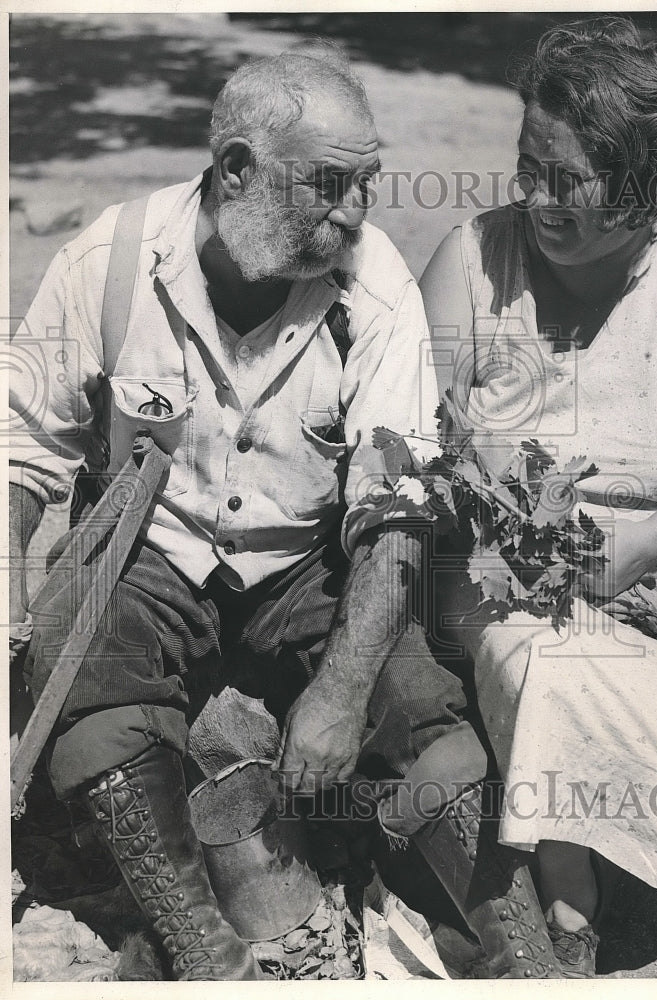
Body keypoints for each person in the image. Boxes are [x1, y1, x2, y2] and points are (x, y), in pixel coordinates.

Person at [9, 51, 561, 980]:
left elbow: (396, 509)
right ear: (237, 172)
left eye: (367, 185)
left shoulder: (375, 290)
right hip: (152, 555)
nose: (354, 214)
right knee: (80, 640)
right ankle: (203, 945)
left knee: (418, 698)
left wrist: (343, 693)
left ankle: (520, 955)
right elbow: (20, 445)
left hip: (311, 560)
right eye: (329, 186)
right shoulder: (105, 262)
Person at [419, 18, 657, 978]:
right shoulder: (473, 259)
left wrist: (648, 545)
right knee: (546, 669)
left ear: (646, 187)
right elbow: (409, 440)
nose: (532, 193)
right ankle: (572, 911)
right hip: (502, 586)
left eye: (566, 178)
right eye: (528, 162)